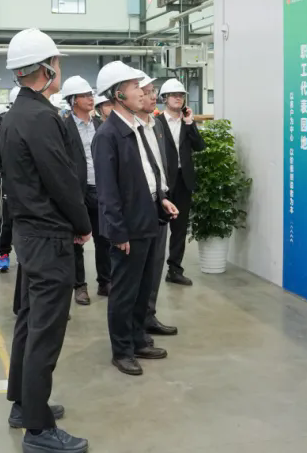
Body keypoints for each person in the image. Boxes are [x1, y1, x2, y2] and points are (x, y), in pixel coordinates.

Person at [1, 28, 92, 453]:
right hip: (48, 236)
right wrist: (83, 223)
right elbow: (63, 180)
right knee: (45, 331)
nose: (59, 68)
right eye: (56, 62)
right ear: (44, 69)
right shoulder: (40, 117)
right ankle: (38, 430)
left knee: (29, 321)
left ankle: (24, 404)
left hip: (28, 233)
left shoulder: (16, 114)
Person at [93, 61, 178, 377]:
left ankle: (139, 339)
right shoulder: (108, 135)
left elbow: (149, 172)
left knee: (144, 286)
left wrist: (162, 198)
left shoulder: (138, 127)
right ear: (118, 95)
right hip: (127, 226)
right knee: (125, 291)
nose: (142, 92)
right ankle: (122, 350)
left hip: (148, 216)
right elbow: (107, 191)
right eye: (134, 87)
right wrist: (118, 232)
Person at [132, 71, 179, 339]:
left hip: (159, 201)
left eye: (154, 92)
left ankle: (148, 315)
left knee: (156, 263)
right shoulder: (129, 129)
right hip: (139, 206)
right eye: (147, 92)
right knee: (138, 270)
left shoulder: (157, 125)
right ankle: (135, 326)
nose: (153, 97)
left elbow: (162, 164)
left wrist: (164, 195)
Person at [59, 75, 109, 304]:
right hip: (77, 192)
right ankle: (79, 286)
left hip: (100, 188)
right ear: (73, 100)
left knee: (104, 238)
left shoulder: (100, 124)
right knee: (77, 240)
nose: (91, 99)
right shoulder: (64, 127)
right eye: (85, 95)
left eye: (91, 94)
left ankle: (105, 281)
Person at [156, 79, 205, 286]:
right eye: (174, 95)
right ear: (165, 98)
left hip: (183, 180)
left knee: (180, 229)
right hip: (162, 182)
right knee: (158, 228)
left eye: (181, 95)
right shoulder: (156, 122)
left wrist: (190, 123)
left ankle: (174, 270)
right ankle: (151, 270)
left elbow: (199, 146)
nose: (178, 98)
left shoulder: (187, 123)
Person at [0, 87, 19, 274]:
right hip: (9, 177)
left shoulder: (35, 121)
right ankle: (4, 253)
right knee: (7, 216)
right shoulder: (3, 122)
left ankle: (24, 253)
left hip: (30, 180)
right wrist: (2, 168)